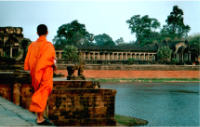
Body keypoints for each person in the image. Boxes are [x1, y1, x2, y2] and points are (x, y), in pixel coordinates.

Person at [24, 24, 56, 125]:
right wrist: (54, 63)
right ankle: (40, 118)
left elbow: (28, 61)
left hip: (35, 74)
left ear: (37, 33)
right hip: (45, 73)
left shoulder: (32, 45)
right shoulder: (48, 45)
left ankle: (40, 116)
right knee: (42, 95)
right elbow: (49, 60)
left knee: (39, 93)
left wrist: (34, 70)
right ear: (47, 32)